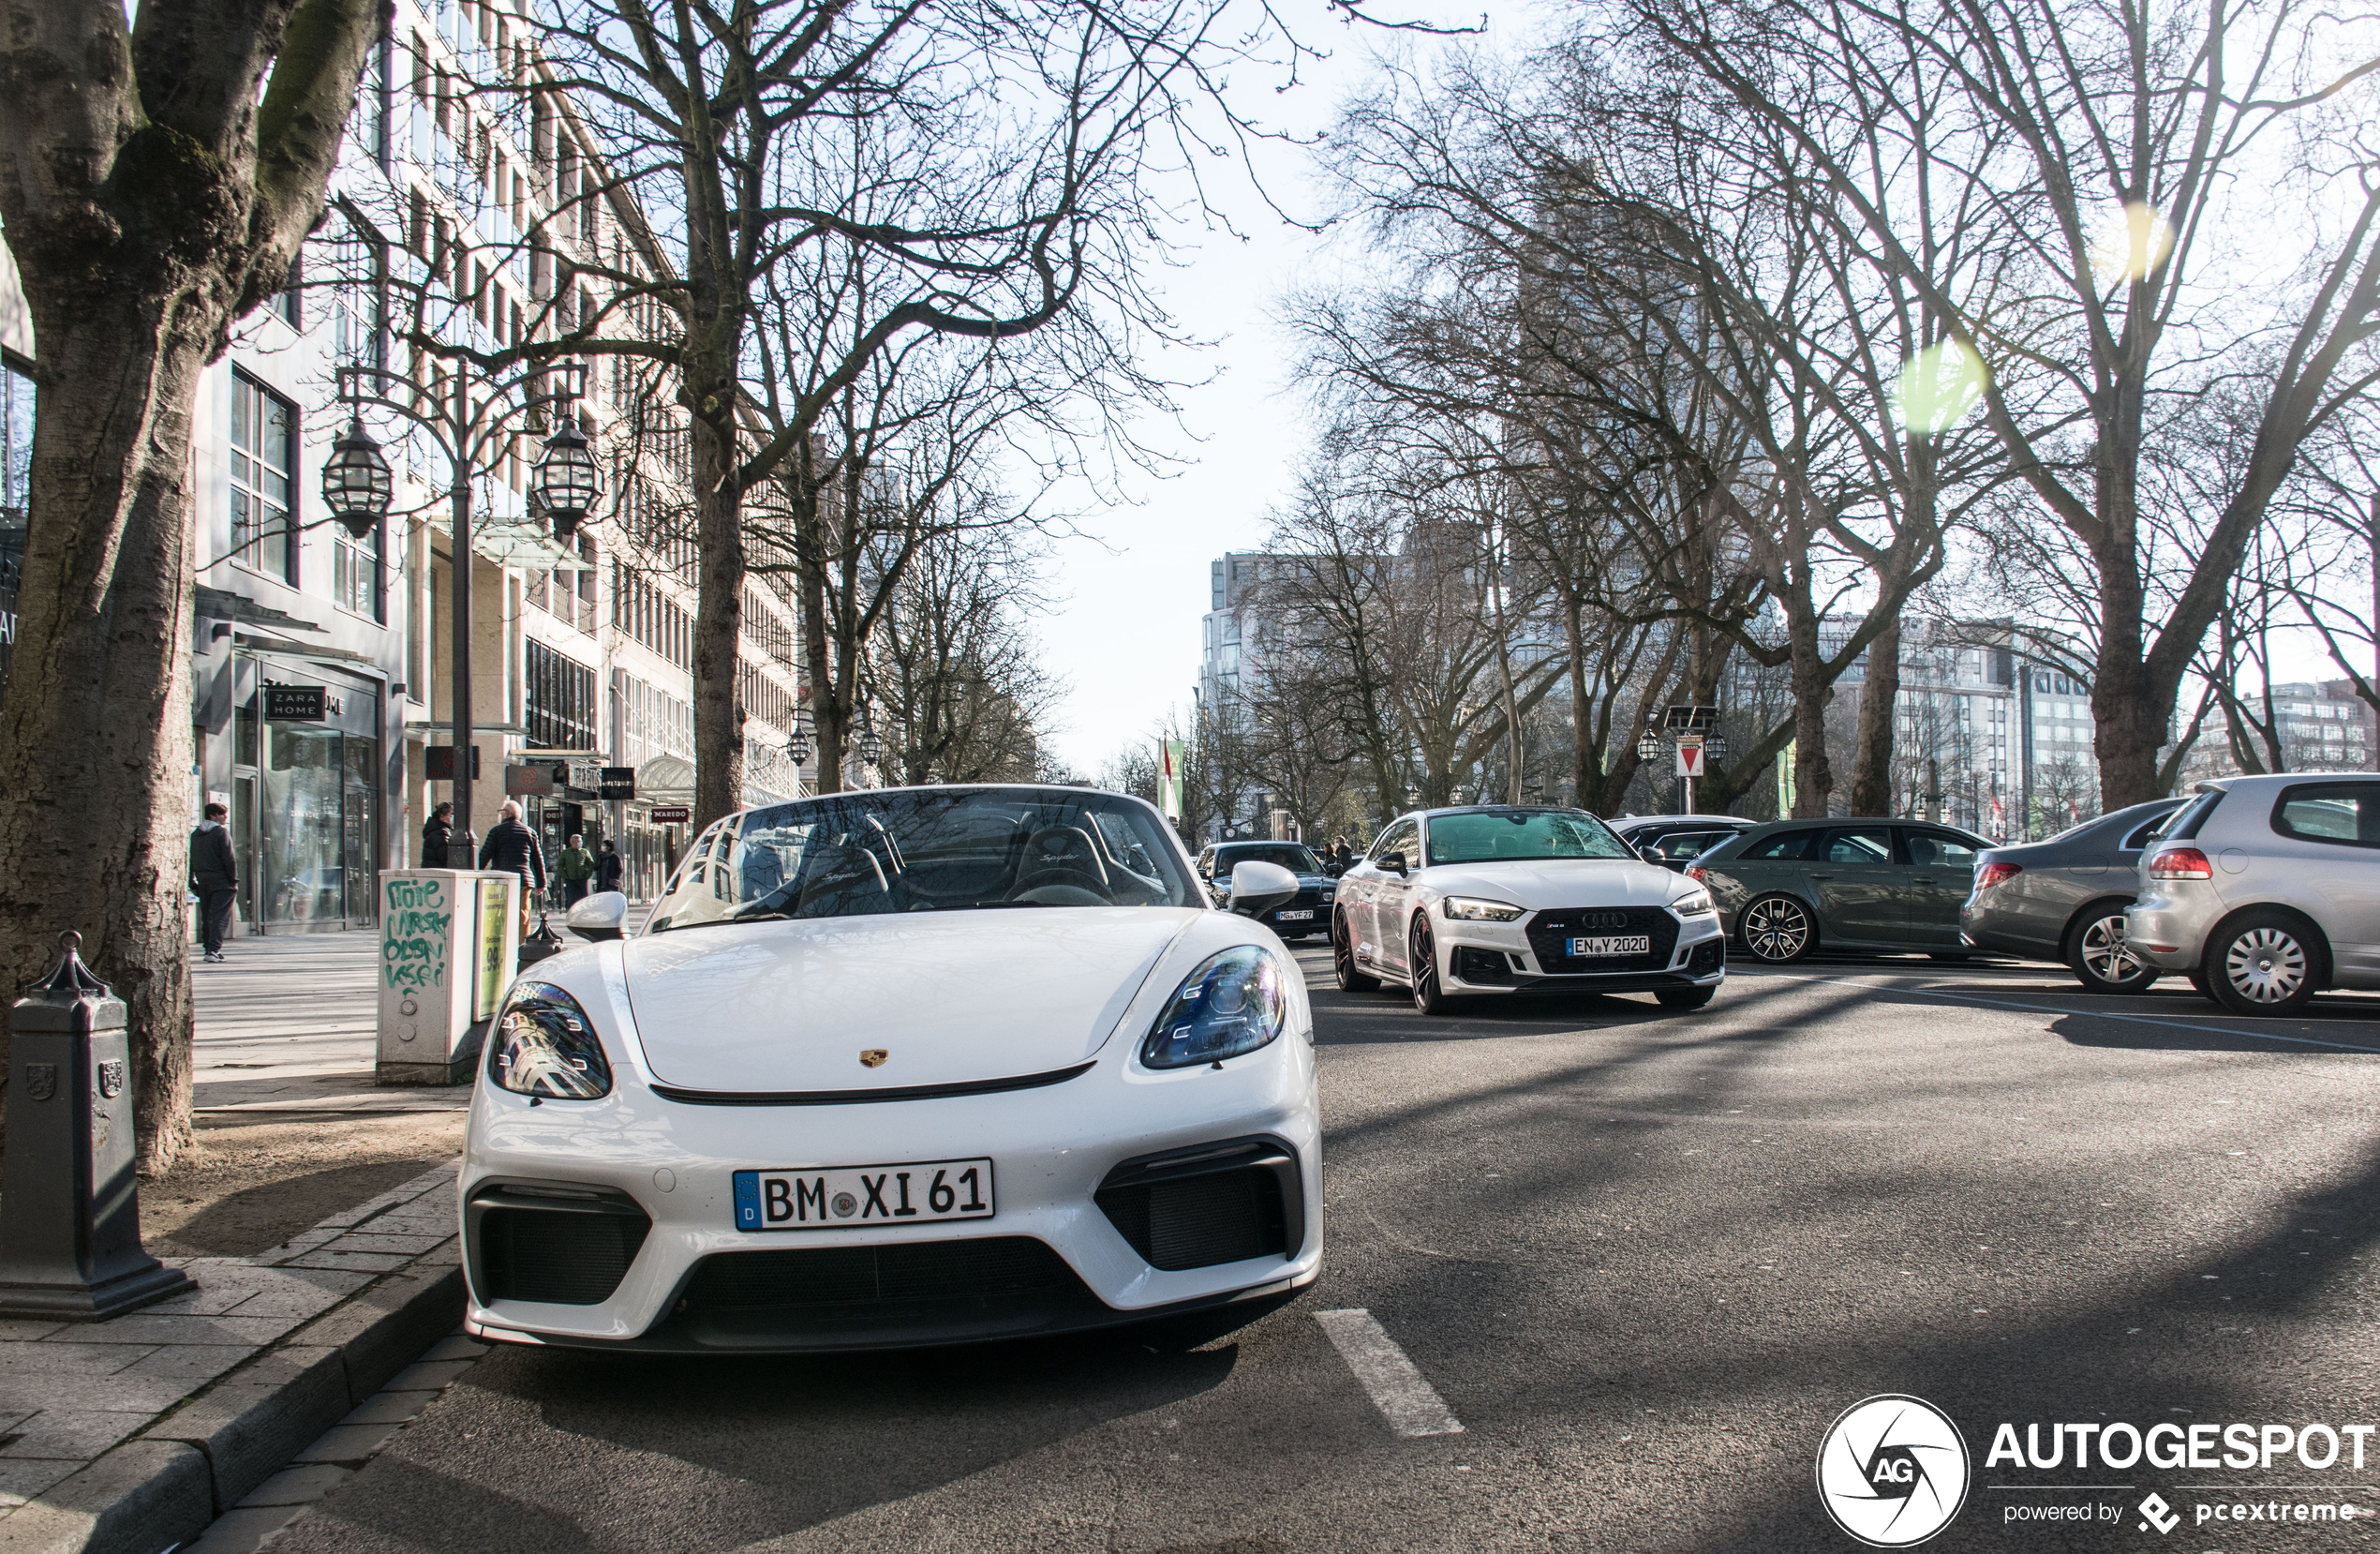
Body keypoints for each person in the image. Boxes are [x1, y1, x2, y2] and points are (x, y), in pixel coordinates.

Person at [478, 800, 548, 935]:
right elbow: (538, 860)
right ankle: (521, 944)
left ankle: (500, 938)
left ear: (506, 813)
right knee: (523, 913)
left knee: (499, 911)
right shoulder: (530, 832)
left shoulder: (496, 831)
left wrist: (476, 874)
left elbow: (485, 855)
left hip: (501, 878)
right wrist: (541, 883)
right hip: (524, 879)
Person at [189, 803, 238, 963]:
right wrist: (233, 879)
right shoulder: (221, 832)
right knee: (220, 916)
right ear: (213, 815)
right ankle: (214, 950)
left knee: (207, 916)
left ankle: (208, 949)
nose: (225, 817)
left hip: (203, 880)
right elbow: (229, 858)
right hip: (222, 881)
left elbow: (190, 858)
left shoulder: (195, 834)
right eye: (222, 814)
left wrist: (192, 881)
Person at [557, 832, 595, 906]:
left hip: (582, 879)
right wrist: (565, 876)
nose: (579, 843)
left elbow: (591, 864)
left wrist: (587, 875)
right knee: (571, 898)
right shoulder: (565, 853)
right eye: (578, 842)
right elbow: (560, 865)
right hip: (570, 879)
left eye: (580, 842)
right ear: (572, 842)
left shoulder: (585, 852)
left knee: (583, 898)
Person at [422, 801, 454, 867]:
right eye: (451, 814)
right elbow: (446, 858)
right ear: (442, 817)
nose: (454, 817)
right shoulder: (440, 834)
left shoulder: (437, 831)